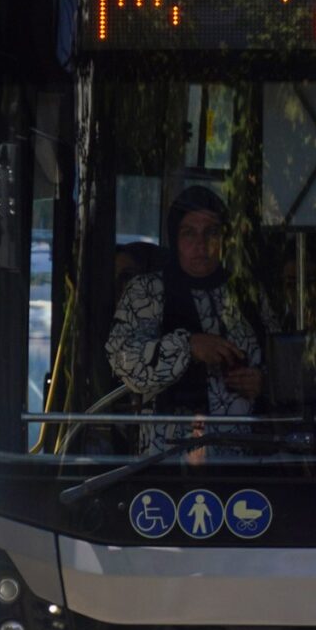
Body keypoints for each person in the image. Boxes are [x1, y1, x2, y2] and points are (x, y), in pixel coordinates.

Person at [105, 186, 261, 448]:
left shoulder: (248, 295)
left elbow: (286, 367)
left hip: (243, 460)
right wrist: (188, 346)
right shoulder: (146, 292)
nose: (201, 244)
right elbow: (124, 361)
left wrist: (261, 383)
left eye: (211, 232)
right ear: (174, 239)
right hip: (166, 463)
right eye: (189, 233)